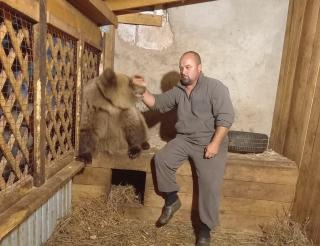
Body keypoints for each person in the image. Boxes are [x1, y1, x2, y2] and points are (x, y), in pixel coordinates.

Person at [133, 51, 234, 246]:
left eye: (188, 67)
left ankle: (205, 230)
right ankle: (172, 199)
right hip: (185, 139)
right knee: (161, 160)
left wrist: (214, 144)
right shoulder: (179, 90)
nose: (183, 71)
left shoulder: (215, 87)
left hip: (210, 139)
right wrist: (141, 90)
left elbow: (226, 117)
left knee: (209, 183)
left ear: (199, 68)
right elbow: (158, 104)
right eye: (181, 68)